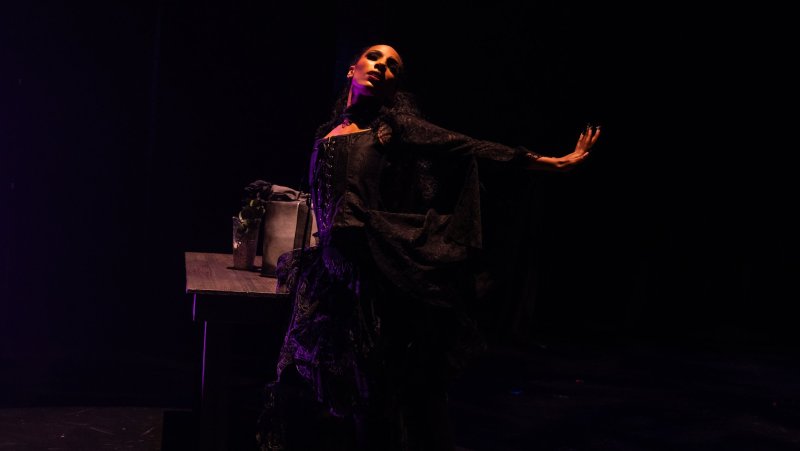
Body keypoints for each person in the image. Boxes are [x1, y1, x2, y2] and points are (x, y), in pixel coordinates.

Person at [256, 43, 600, 451]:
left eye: (393, 67)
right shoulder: (327, 132)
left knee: (388, 397)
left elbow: (464, 145)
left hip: (375, 273)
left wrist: (551, 162)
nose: (382, 67)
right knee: (335, 394)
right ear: (351, 70)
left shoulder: (392, 128)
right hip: (334, 278)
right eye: (375, 58)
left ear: (395, 87)